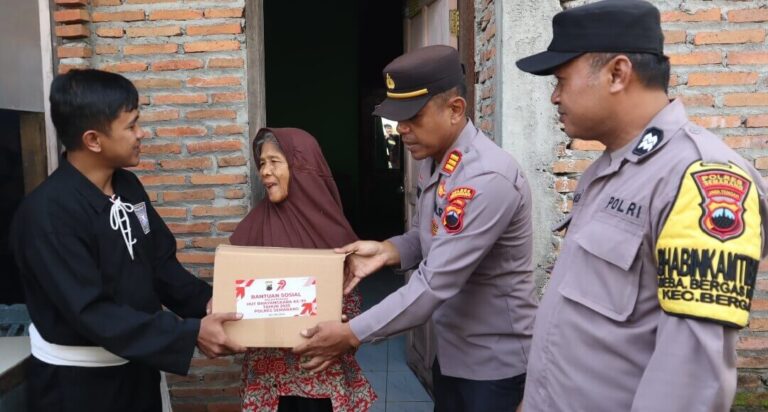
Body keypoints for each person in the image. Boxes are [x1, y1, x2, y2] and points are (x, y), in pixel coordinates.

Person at [514, 1, 768, 411]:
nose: (555, 97)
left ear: (617, 74)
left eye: (561, 80)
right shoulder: (611, 168)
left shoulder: (700, 179)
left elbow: (691, 383)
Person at [294, 45, 539, 411]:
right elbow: (433, 236)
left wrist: (351, 334)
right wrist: (388, 251)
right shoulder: (439, 161)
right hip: (454, 352)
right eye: (397, 117)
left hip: (494, 367)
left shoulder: (487, 177)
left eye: (413, 116)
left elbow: (436, 281)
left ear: (455, 110)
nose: (401, 129)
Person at [10, 69, 246, 412]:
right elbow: (92, 312)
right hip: (80, 388)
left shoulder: (128, 188)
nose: (142, 133)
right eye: (132, 125)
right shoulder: (47, 216)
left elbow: (160, 264)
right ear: (93, 140)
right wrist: (188, 333)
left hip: (138, 369)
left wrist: (208, 304)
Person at [230, 127, 376, 412]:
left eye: (275, 161)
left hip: (320, 372)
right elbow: (234, 292)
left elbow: (352, 301)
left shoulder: (334, 232)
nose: (265, 172)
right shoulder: (251, 229)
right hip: (269, 378)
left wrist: (344, 321)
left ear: (302, 167)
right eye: (261, 163)